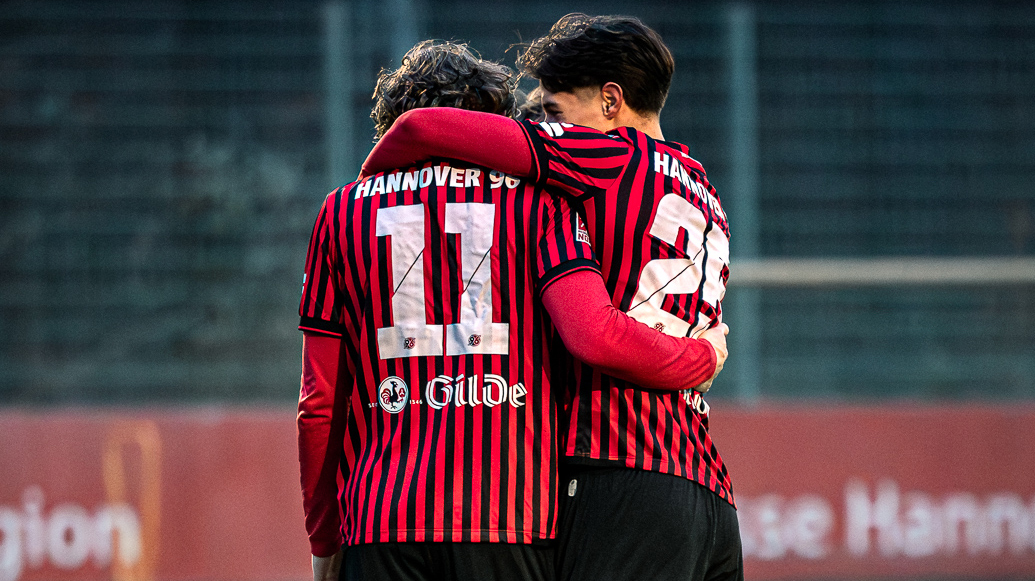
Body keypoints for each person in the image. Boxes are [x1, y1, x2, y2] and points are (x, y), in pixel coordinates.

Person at [298, 40, 729, 581]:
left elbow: (320, 404)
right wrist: (703, 358)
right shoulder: (541, 201)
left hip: (380, 518)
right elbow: (591, 330)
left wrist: (325, 541)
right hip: (514, 515)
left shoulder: (339, 213)